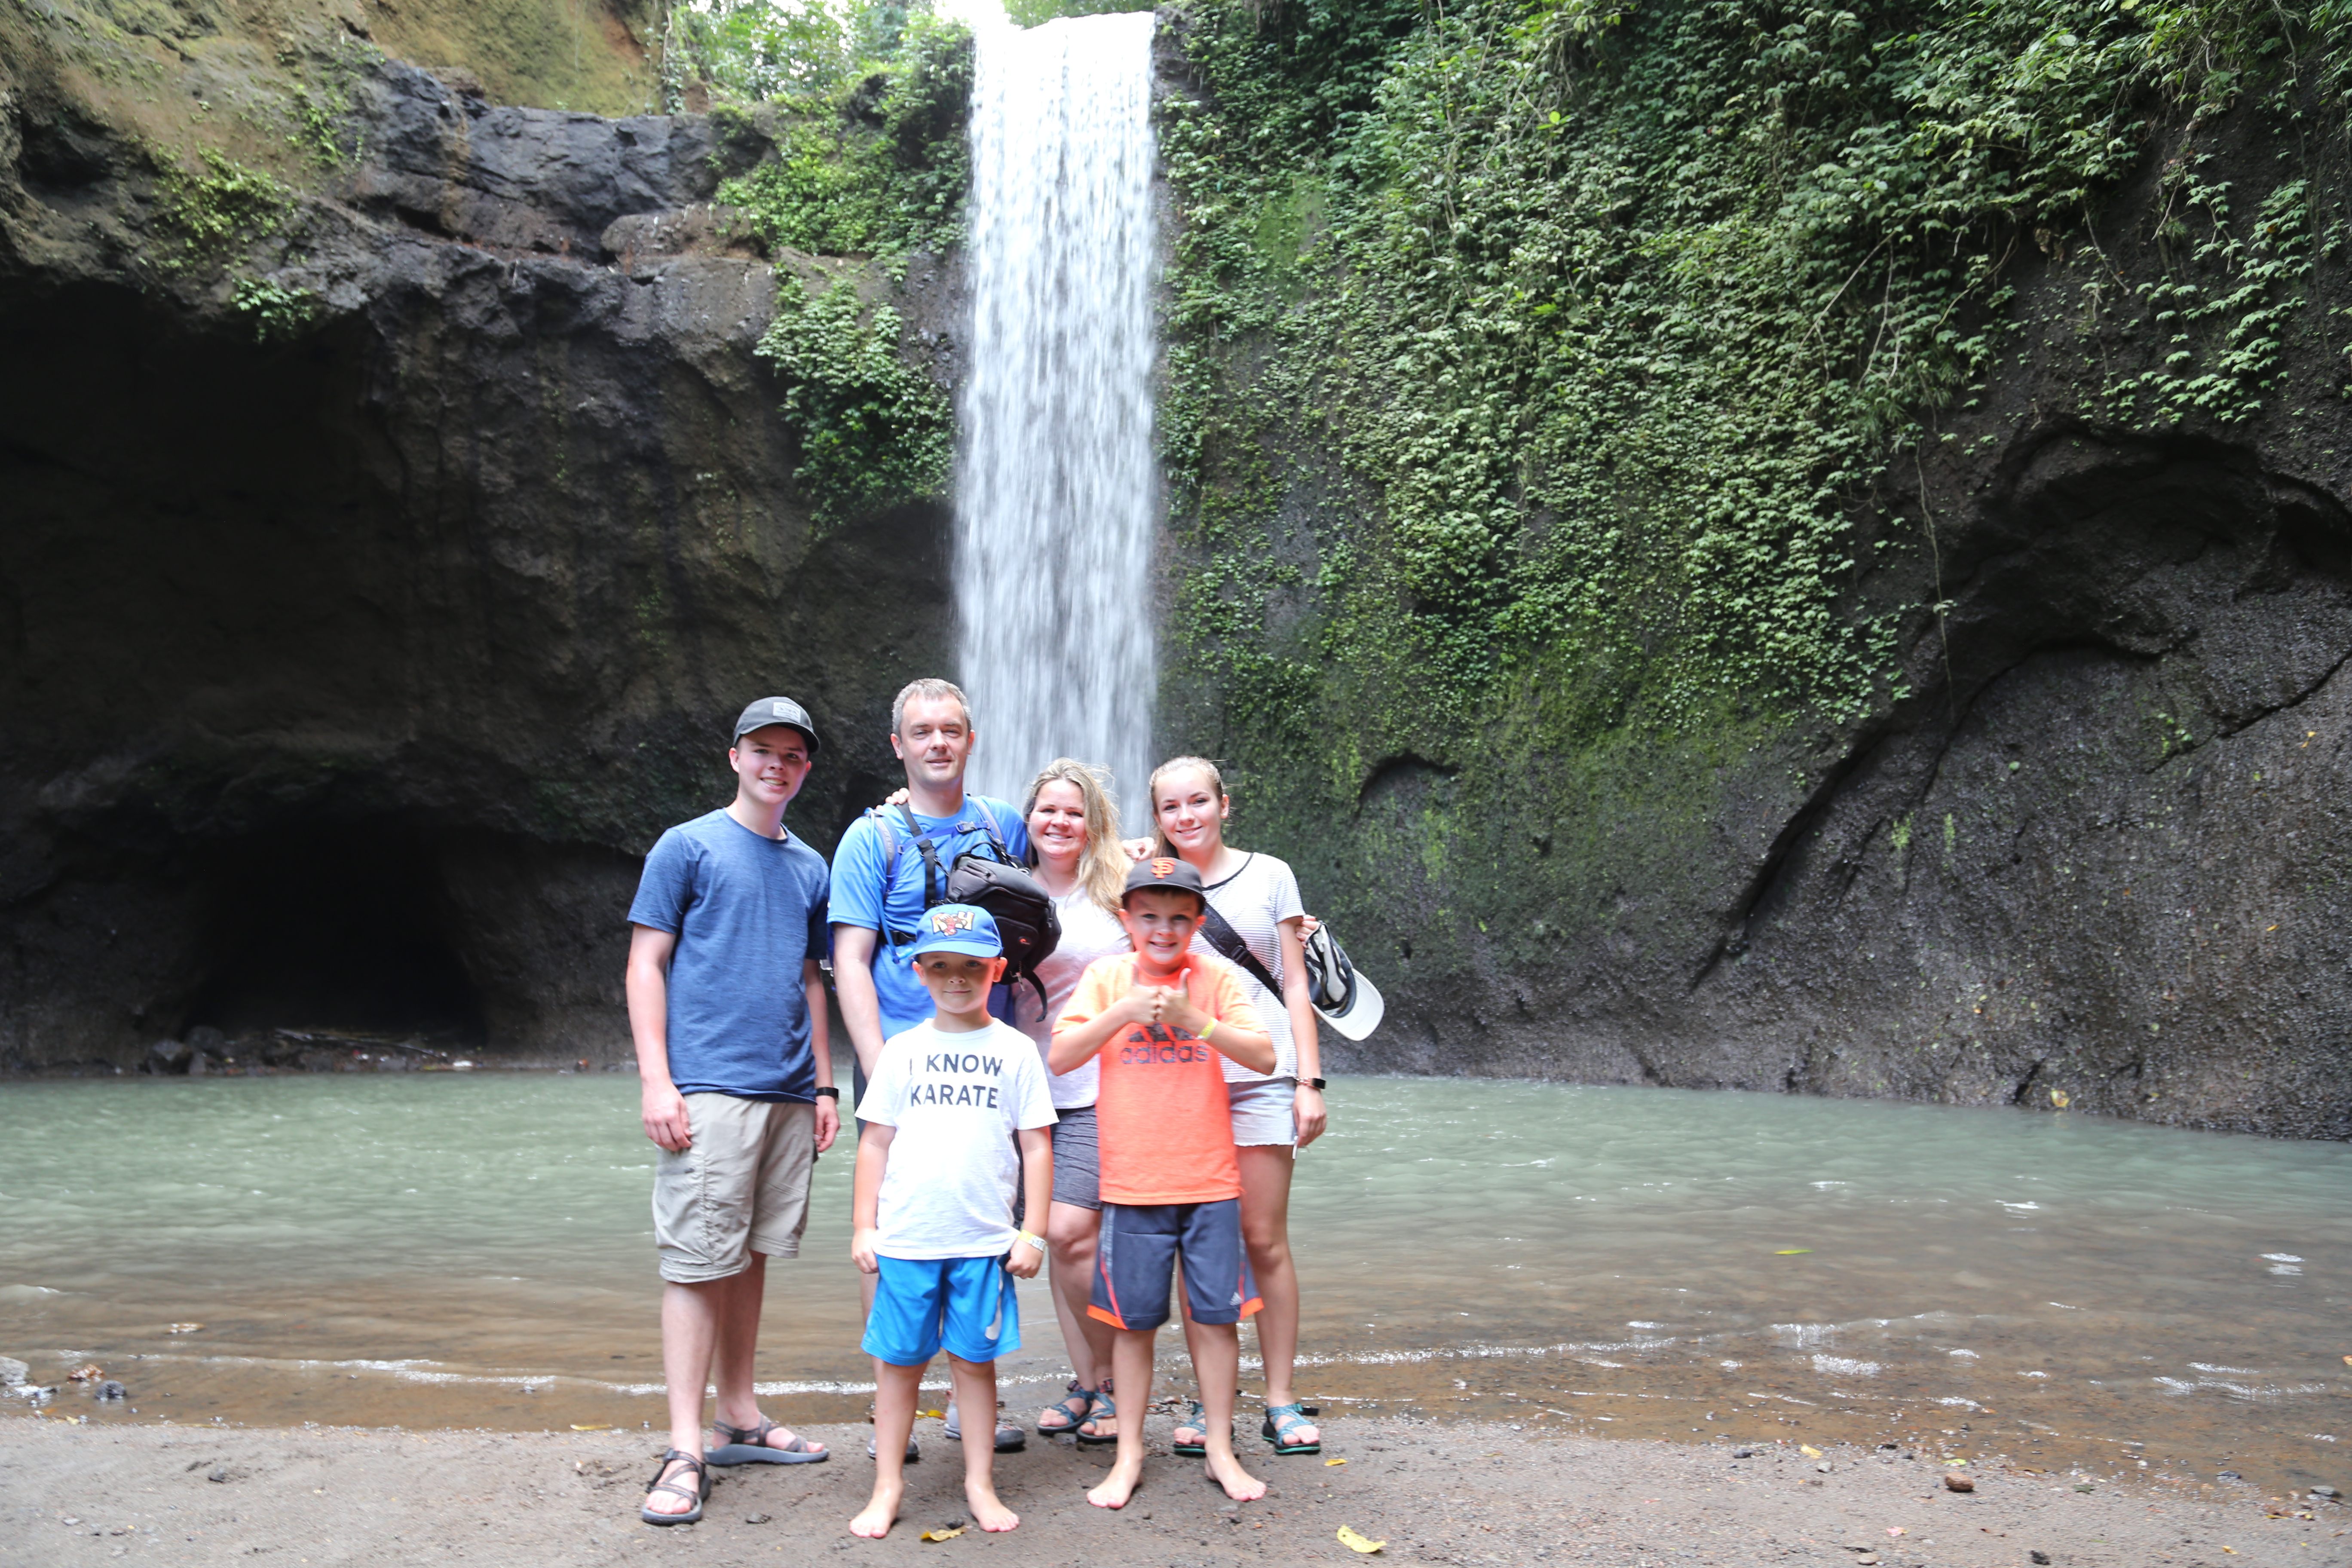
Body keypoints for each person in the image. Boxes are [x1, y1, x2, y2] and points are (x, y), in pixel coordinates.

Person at [624, 698, 838, 1528]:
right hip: (708, 1084)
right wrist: (657, 1080)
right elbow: (647, 963)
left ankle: (739, 1415)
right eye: (763, 750)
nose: (776, 764)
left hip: (788, 1090)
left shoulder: (812, 866)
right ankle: (684, 1447)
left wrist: (824, 1085)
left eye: (792, 754)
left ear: (805, 768)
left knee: (750, 1252)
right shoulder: (687, 846)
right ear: (735, 757)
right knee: (694, 1261)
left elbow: (813, 978)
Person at [829, 677, 1030, 1455]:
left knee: (985, 1213)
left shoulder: (1002, 825)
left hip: (986, 1061)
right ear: (899, 746)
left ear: (970, 740)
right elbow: (848, 957)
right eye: (922, 732)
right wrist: (883, 1071)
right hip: (900, 1061)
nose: (938, 743)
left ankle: (971, 1396)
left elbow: (1064, 887)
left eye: (951, 730)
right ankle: (894, 1405)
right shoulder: (868, 838)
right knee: (889, 1222)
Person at [1048, 855, 1279, 1510]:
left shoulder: (1217, 977)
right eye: (1149, 916)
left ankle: (1220, 1451)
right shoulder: (1105, 978)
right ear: (1127, 919)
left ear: (1197, 923)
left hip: (1209, 1182)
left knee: (1215, 1321)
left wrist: (1192, 1020)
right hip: (1131, 1186)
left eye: (1179, 918)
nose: (1164, 930)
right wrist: (1124, 1011)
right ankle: (1128, 1456)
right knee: (1134, 1325)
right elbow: (1062, 1055)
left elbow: (1264, 1055)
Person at [850, 903, 1056, 1538]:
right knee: (900, 1365)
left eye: (972, 966)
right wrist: (864, 1225)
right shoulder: (901, 1052)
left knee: (974, 1363)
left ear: (997, 969)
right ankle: (887, 1485)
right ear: (919, 971)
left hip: (984, 1242)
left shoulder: (1016, 1051)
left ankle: (979, 1483)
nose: (957, 978)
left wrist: (1034, 1232)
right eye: (941, 966)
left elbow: (1037, 1145)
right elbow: (875, 1142)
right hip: (910, 1239)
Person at [1146, 756, 1328, 1458]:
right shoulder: (1154, 882)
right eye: (1171, 807)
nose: (1186, 816)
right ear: (1156, 817)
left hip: (1262, 1079)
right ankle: (1208, 1395)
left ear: (1226, 804)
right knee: (1203, 1250)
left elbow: (1292, 987)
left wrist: (1309, 1083)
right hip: (1183, 1085)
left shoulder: (1271, 874)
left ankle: (1280, 1397)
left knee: (1264, 1239)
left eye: (1199, 801)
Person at [1006, 760, 1135, 1444]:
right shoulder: (1006, 888)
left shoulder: (1117, 889)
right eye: (1047, 810)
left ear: (1094, 824)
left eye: (1074, 811)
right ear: (1028, 818)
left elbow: (1179, 938)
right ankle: (1087, 1383)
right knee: (1060, 1242)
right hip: (1021, 1090)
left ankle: (1115, 1380)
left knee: (1067, 1234)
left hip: (1097, 1086)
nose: (1059, 822)